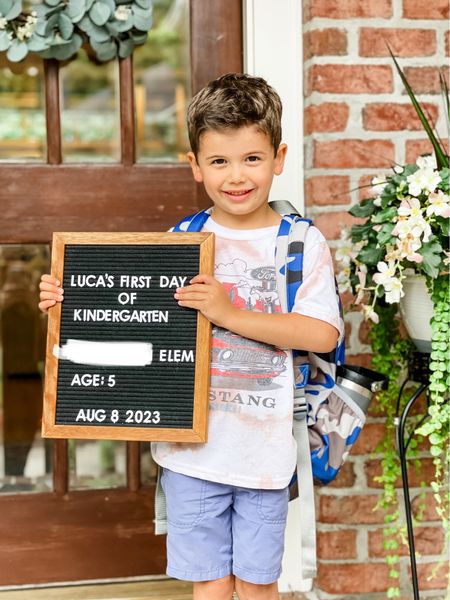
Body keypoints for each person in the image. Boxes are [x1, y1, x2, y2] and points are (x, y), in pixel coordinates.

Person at [39, 73, 342, 600]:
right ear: (194, 165)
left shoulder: (301, 243)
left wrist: (229, 312)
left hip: (264, 453)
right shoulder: (181, 242)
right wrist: (71, 306)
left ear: (279, 157)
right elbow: (132, 323)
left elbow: (320, 333)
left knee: (256, 585)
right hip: (192, 453)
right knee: (210, 584)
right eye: (219, 162)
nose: (236, 176)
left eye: (251, 158)